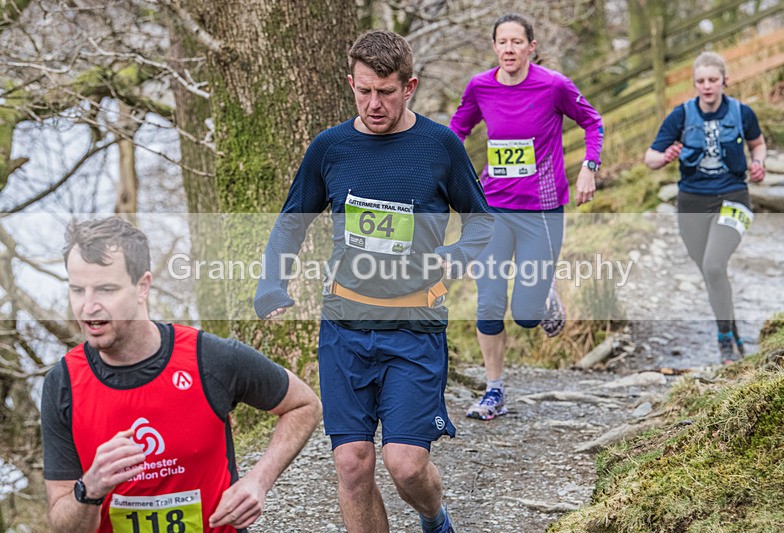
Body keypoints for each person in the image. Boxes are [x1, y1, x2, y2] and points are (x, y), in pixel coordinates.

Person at [254, 30, 492, 533]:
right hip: (345, 325)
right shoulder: (330, 148)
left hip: (415, 325)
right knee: (353, 464)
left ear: (410, 87)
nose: (373, 103)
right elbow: (291, 220)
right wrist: (273, 281)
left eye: (385, 91)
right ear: (351, 83)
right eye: (363, 91)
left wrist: (457, 254)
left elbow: (483, 221)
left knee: (405, 465)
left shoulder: (439, 145)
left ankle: (435, 516)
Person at [41, 217, 322, 533]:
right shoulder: (63, 383)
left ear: (142, 287)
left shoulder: (208, 358)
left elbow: (304, 404)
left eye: (106, 289)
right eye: (77, 290)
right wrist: (88, 490)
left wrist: (258, 481)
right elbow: (63, 524)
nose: (88, 307)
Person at [449, 13, 604, 420]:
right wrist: (442, 172)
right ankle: (494, 390)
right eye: (503, 42)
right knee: (488, 303)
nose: (509, 49)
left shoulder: (554, 85)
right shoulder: (480, 87)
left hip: (542, 212)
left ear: (531, 47)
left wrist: (590, 165)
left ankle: (545, 292)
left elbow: (592, 121)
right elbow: (456, 131)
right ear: (495, 47)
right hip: (494, 208)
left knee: (526, 315)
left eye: (518, 42)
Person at [645, 51, 766, 363]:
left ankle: (724, 340)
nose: (707, 86)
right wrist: (664, 158)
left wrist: (759, 163)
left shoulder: (742, 112)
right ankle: (733, 329)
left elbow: (758, 143)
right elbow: (650, 158)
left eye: (713, 80)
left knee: (713, 266)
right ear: (694, 84)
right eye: (701, 81)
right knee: (712, 273)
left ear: (725, 80)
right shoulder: (681, 115)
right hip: (692, 202)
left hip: (734, 198)